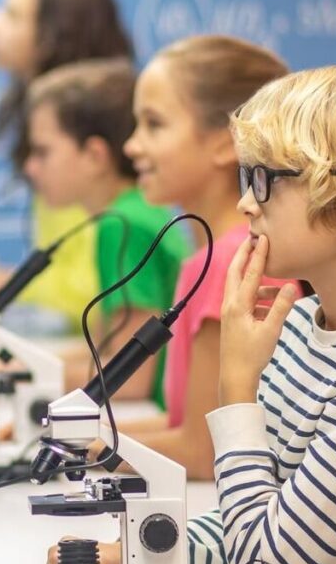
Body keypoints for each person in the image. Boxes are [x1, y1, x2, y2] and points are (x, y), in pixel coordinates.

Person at [53, 65, 336, 564]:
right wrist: (138, 555)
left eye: (265, 179)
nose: (245, 203)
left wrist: (236, 393)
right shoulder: (303, 324)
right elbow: (253, 518)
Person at [111, 35, 297, 476]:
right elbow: (184, 424)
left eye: (154, 125)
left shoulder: (231, 262)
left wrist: (82, 449)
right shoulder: (210, 258)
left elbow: (199, 450)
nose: (132, 146)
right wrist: (77, 436)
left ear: (223, 142)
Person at [0, 0, 134, 332]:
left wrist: (9, 285)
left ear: (52, 36)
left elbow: (93, 283)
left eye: (12, 15)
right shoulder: (57, 139)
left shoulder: (80, 158)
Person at [21, 58, 189, 398]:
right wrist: (22, 364)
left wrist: (16, 377)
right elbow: (102, 348)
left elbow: (132, 377)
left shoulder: (123, 225)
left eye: (42, 152)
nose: (30, 167)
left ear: (94, 156)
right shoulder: (130, 212)